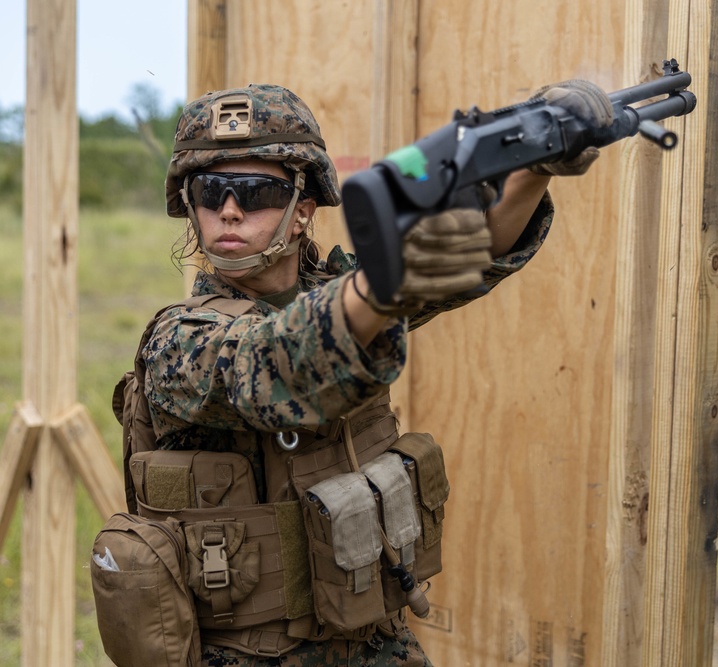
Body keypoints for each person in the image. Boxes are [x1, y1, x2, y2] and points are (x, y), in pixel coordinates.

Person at [115, 80, 611, 666]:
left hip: (375, 641)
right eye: (210, 189)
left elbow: (473, 253)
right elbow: (274, 363)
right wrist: (384, 281)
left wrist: (539, 164)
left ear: (303, 210)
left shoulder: (341, 292)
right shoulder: (178, 342)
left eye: (255, 191)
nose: (229, 208)